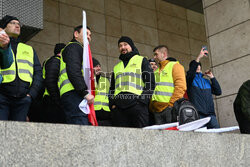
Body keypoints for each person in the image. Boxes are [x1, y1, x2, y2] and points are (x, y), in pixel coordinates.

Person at [0, 15, 43, 121]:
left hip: (23, 99)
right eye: (13, 23)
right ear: (4, 27)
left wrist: (31, 95)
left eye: (19, 24)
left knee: (18, 135)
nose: (17, 26)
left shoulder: (28, 49)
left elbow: (38, 73)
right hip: (2, 97)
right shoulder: (1, 45)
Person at [109, 36, 155, 128]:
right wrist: (112, 104)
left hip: (137, 106)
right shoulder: (116, 67)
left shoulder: (142, 60)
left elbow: (150, 82)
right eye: (120, 46)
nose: (123, 47)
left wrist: (142, 101)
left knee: (140, 138)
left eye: (125, 44)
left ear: (131, 46)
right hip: (119, 108)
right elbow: (112, 88)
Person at [58, 25, 94, 125]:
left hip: (74, 93)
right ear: (76, 34)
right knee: (80, 126)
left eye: (90, 35)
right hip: (74, 93)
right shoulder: (74, 46)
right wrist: (85, 93)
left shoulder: (77, 48)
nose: (89, 37)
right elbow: (73, 71)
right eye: (86, 33)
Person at [149, 45, 186, 125]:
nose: (154, 57)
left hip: (169, 109)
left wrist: (171, 105)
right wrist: (151, 106)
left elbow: (181, 87)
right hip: (156, 111)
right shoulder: (156, 71)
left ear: (164, 54)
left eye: (156, 54)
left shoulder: (175, 66)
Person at [186, 47, 221, 128]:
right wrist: (199, 57)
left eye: (199, 65)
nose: (198, 66)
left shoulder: (206, 81)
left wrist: (212, 77)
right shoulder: (190, 80)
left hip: (211, 115)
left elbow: (218, 92)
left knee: (217, 137)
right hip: (198, 115)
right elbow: (190, 74)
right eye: (196, 65)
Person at [42, 43, 66, 123]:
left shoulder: (52, 61)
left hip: (52, 99)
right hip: (52, 100)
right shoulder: (56, 61)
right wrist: (58, 100)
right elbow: (51, 81)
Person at [93, 58, 112, 126]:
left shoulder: (106, 79)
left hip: (107, 111)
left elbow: (111, 93)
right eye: (96, 66)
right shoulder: (88, 79)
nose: (99, 68)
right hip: (93, 111)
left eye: (99, 66)